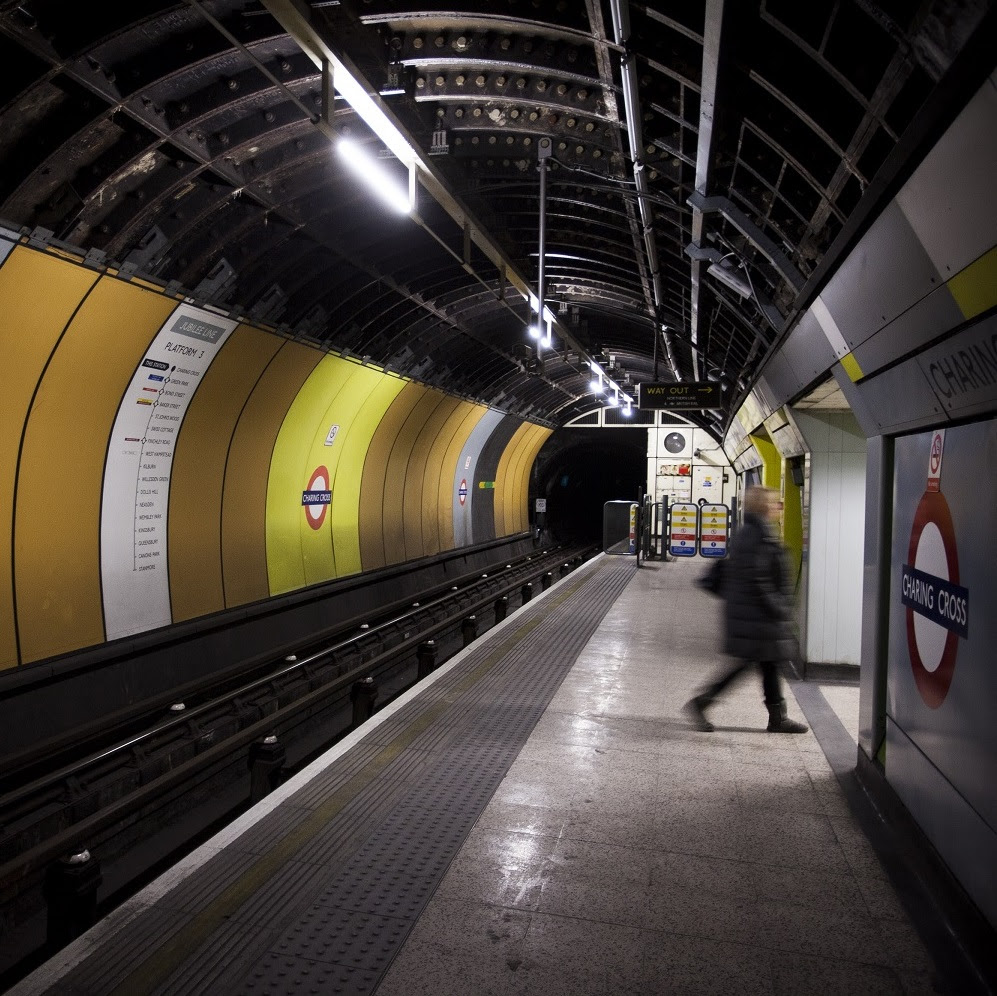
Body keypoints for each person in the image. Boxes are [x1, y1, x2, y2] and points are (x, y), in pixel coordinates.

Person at [685, 485, 808, 734]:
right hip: (756, 616)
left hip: (750, 614)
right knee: (748, 665)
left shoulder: (752, 532)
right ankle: (701, 702)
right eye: (775, 502)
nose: (778, 507)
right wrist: (780, 608)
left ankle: (777, 718)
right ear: (763, 506)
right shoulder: (757, 536)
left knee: (768, 664)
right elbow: (758, 581)